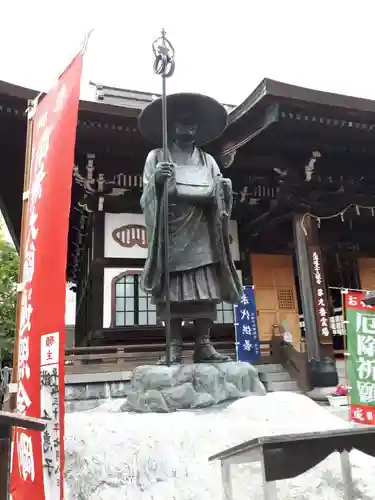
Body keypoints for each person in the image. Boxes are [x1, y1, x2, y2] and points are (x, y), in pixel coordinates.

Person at [138, 93, 242, 364]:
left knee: (205, 290)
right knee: (172, 292)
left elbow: (219, 191)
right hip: (171, 233)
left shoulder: (208, 160)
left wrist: (224, 189)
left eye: (194, 123)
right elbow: (145, 197)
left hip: (203, 231)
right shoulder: (157, 156)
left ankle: (203, 344)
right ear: (171, 126)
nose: (190, 127)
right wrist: (157, 183)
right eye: (184, 122)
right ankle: (173, 346)